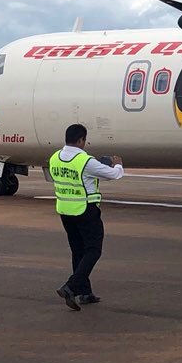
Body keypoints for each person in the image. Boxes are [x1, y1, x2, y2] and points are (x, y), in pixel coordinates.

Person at [49, 123, 125, 310]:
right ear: (81, 140)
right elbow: (113, 175)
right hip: (86, 210)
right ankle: (71, 286)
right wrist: (118, 165)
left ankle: (84, 292)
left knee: (78, 251)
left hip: (65, 210)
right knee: (93, 250)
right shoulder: (85, 161)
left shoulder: (54, 158)